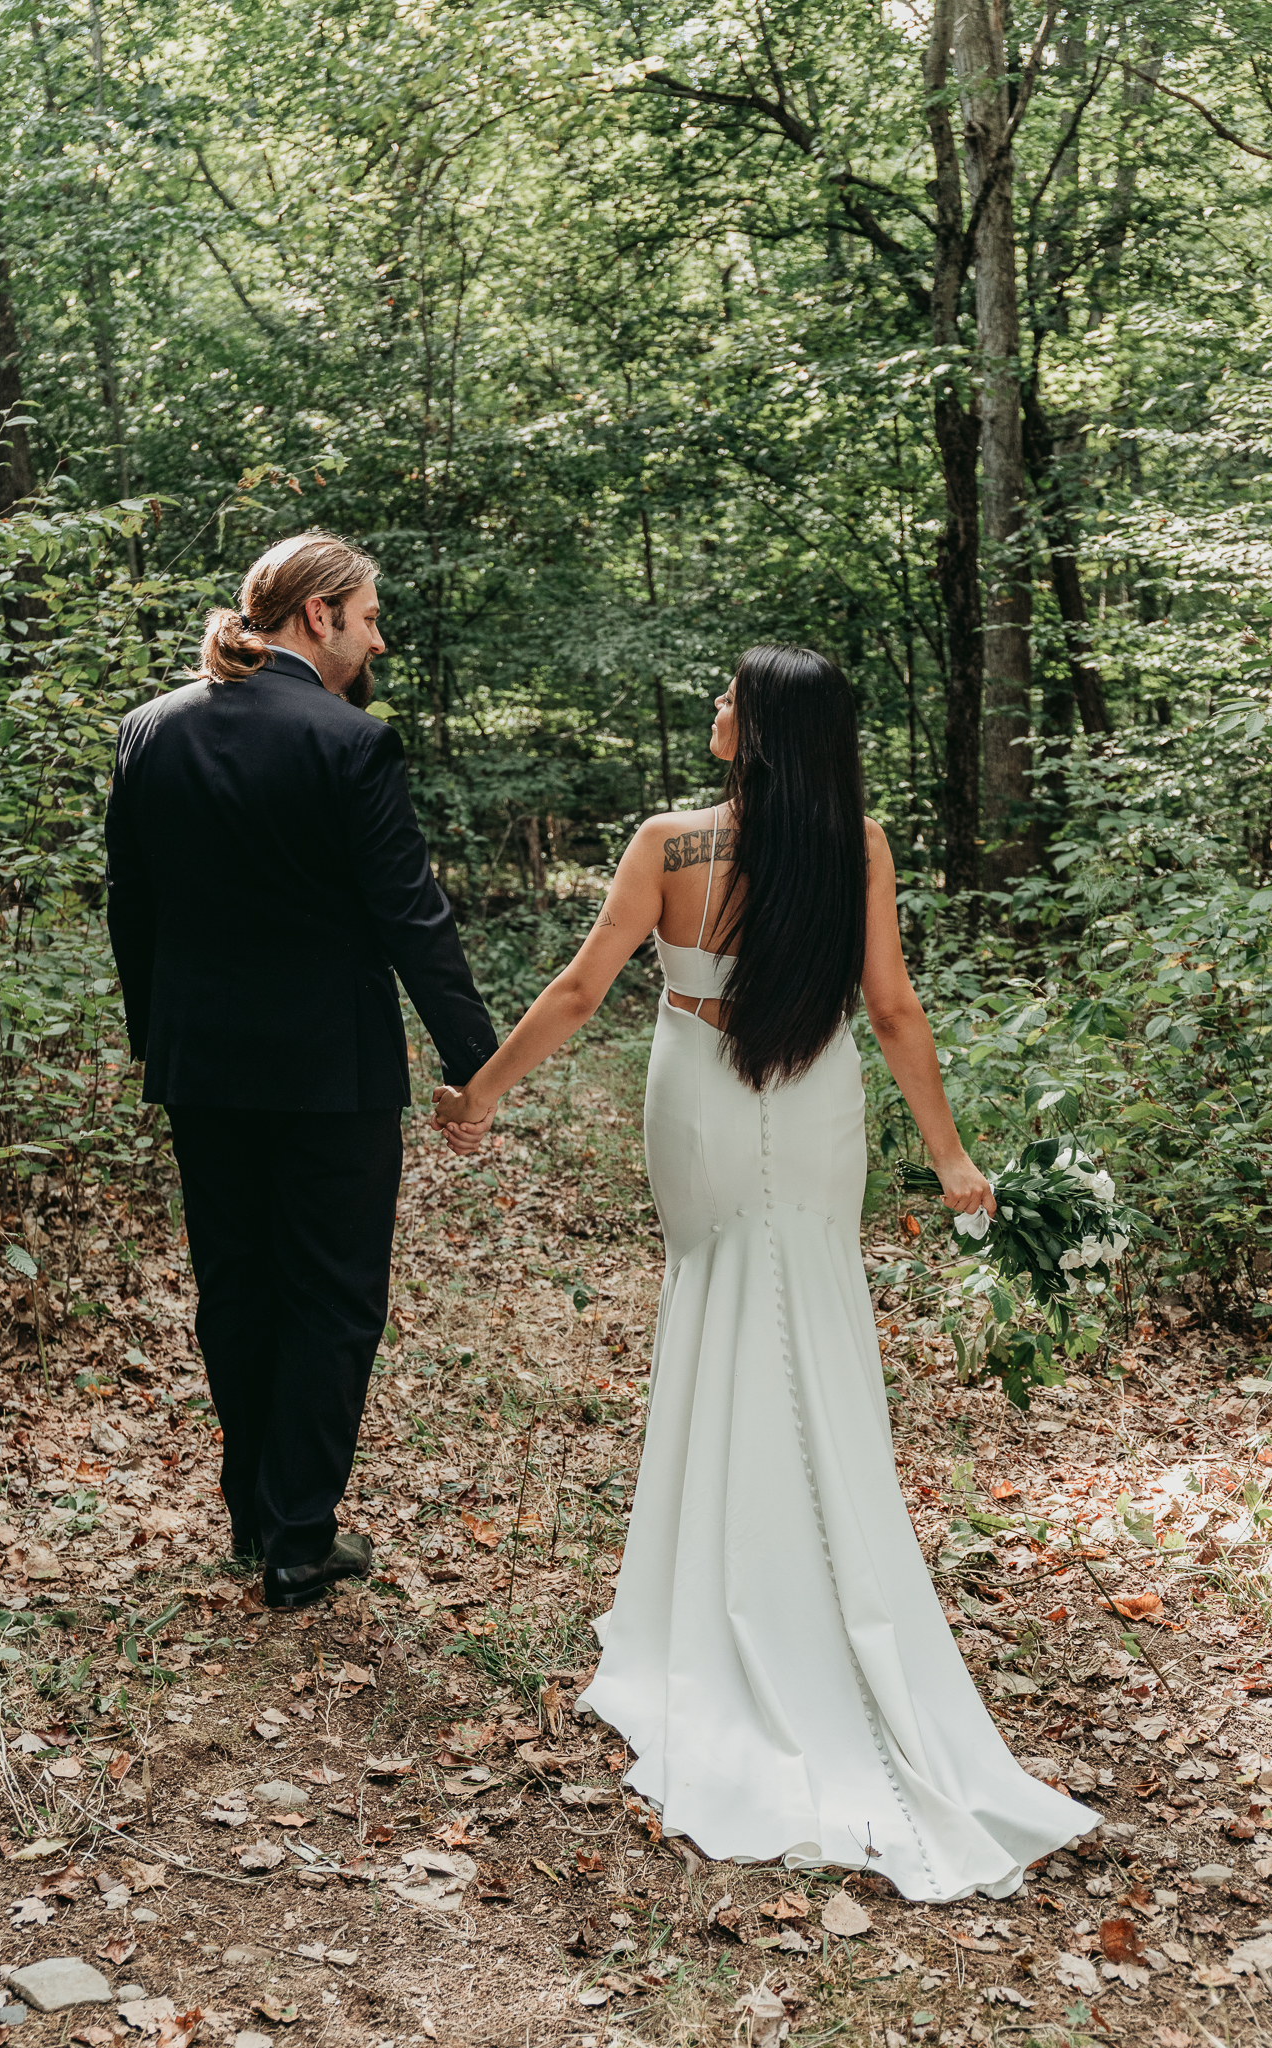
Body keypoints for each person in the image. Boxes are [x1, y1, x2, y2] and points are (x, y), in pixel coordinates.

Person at [433, 642, 1097, 1900]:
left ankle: (721, 1591)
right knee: (806, 1309)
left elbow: (583, 988)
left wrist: (480, 1095)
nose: (718, 708)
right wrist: (951, 1158)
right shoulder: (859, 841)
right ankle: (809, 1577)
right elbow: (892, 1009)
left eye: (734, 697)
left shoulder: (667, 839)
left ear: (768, 727)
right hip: (819, 1091)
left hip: (697, 1089)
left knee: (722, 1303)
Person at [105, 531, 497, 1610]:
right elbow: (412, 918)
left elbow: (129, 906)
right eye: (367, 614)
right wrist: (481, 1063)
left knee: (237, 1285)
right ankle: (297, 1540)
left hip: (202, 1068)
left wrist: (159, 1034)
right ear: (317, 615)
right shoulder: (350, 741)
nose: (377, 636)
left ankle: (252, 1512)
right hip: (334, 1071)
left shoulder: (149, 731)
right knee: (331, 1295)